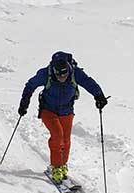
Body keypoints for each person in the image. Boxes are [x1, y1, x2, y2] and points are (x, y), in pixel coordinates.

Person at [17, 51, 109, 184]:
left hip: (67, 110)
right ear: (54, 70)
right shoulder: (45, 74)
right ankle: (56, 167)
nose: (62, 77)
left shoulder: (75, 73)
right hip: (48, 110)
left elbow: (89, 82)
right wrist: (24, 104)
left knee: (65, 139)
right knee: (57, 135)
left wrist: (99, 96)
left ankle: (63, 165)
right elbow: (30, 85)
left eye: (65, 74)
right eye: (59, 74)